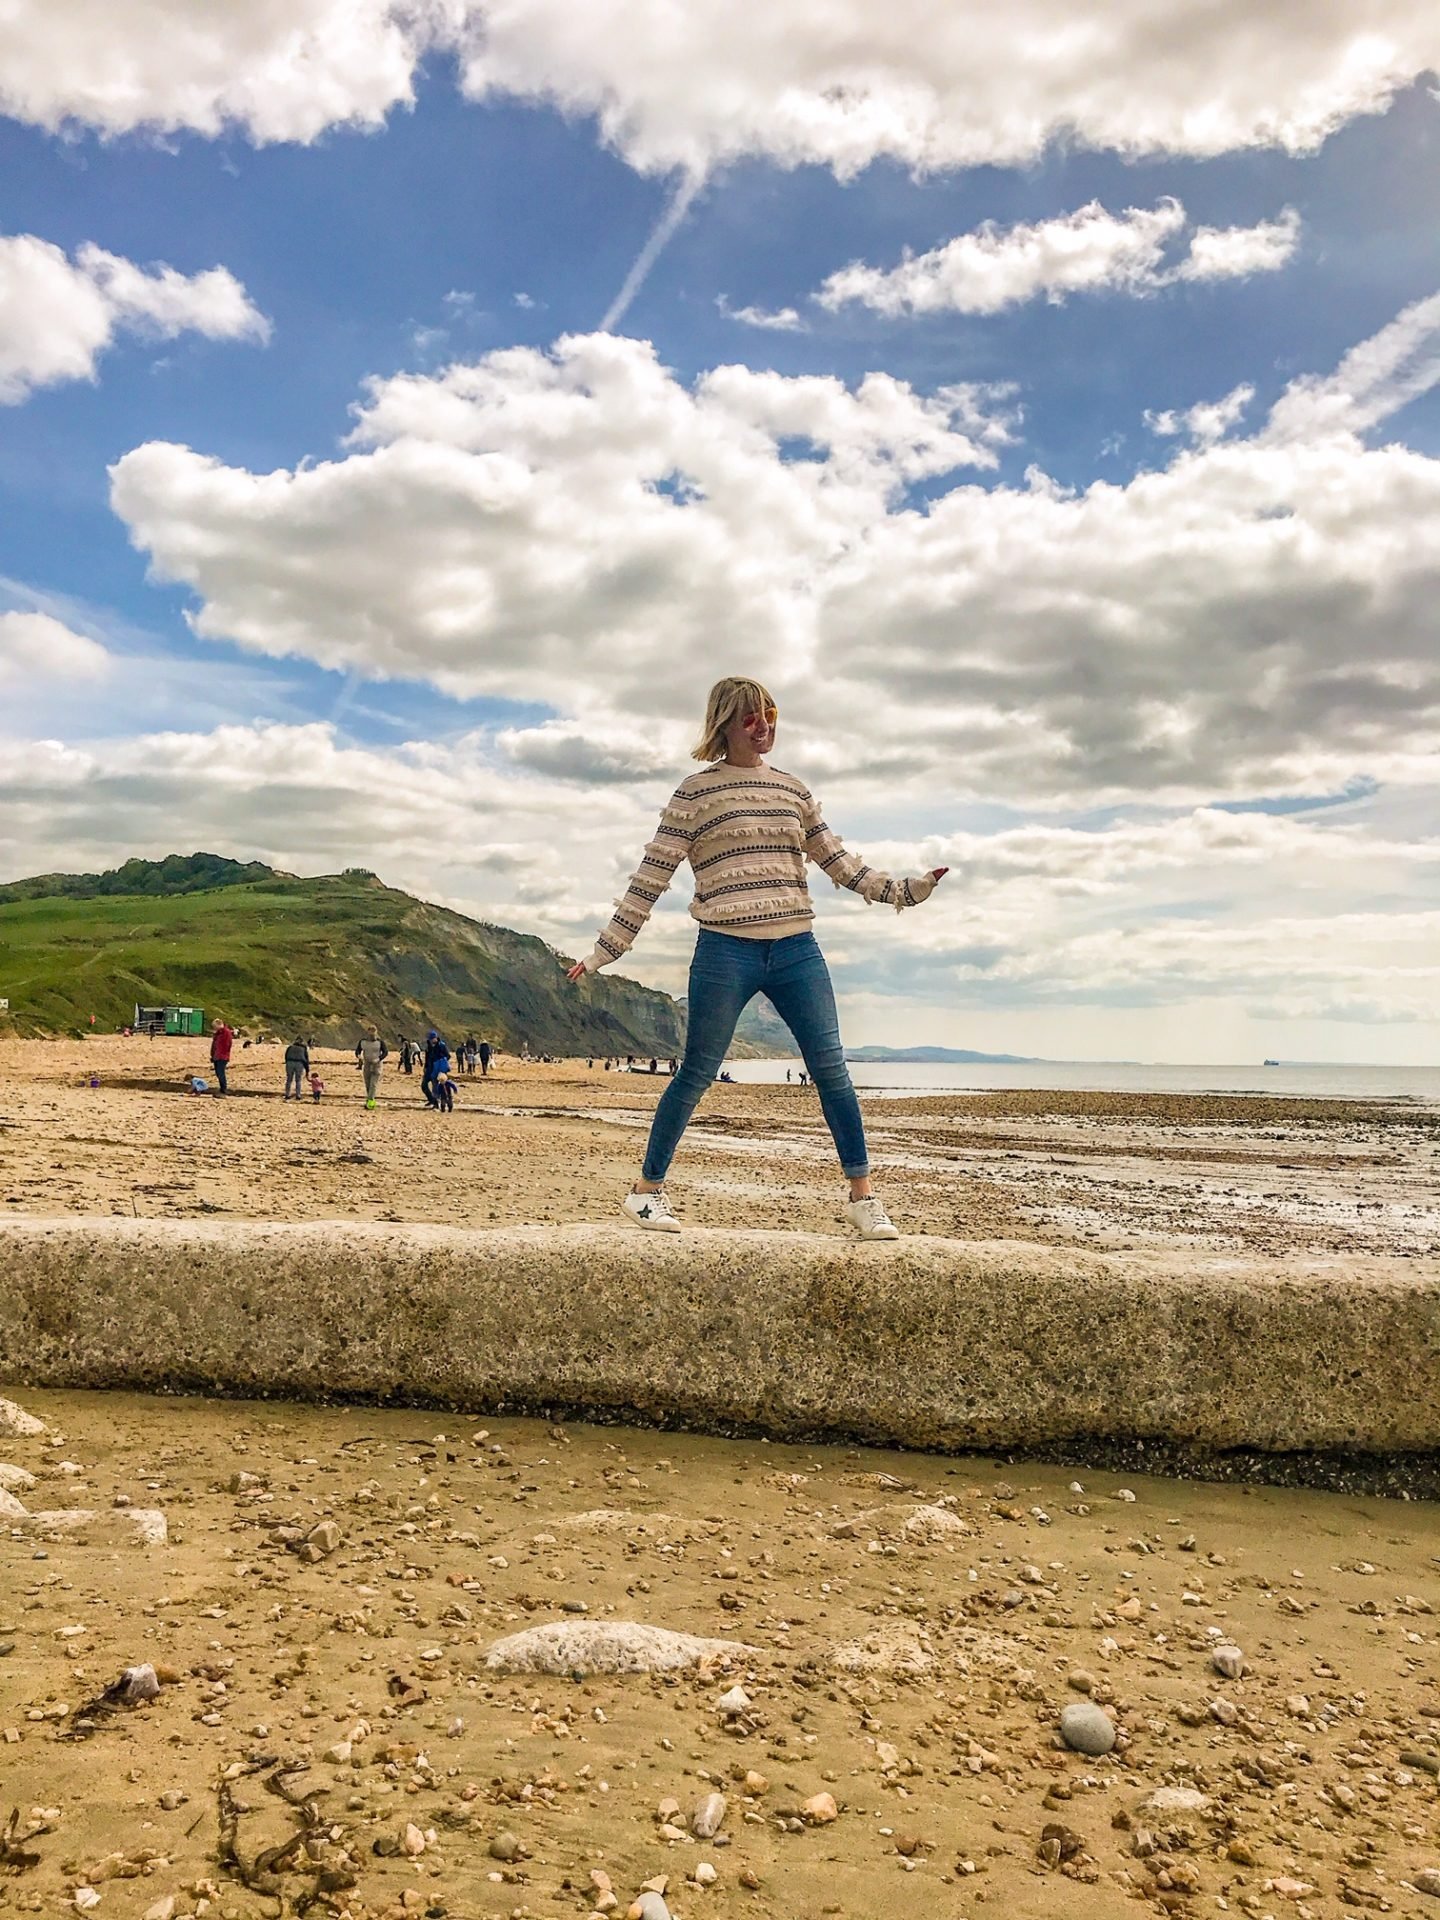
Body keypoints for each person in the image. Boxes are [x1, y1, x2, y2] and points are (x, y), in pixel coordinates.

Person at [567, 675, 947, 1238]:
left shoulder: (793, 790)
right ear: (724, 721)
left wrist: (903, 891)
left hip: (798, 950)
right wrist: (606, 950)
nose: (763, 726)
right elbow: (651, 878)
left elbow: (839, 863)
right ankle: (646, 1194)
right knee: (696, 1070)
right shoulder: (694, 793)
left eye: (770, 713)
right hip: (724, 950)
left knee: (832, 1070)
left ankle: (863, 1200)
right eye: (750, 717)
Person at [355, 1025, 388, 1109]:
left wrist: (378, 1059)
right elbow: (358, 1051)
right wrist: (359, 1056)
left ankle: (370, 1103)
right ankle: (369, 1101)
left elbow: (385, 1052)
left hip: (376, 1065)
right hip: (366, 1064)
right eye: (370, 1032)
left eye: (373, 1032)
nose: (372, 1035)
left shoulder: (380, 1042)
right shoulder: (363, 1042)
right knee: (368, 1084)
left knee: (373, 1084)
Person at [210, 1018, 235, 1095]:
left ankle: (223, 1089)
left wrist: (222, 1054)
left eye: (214, 1026)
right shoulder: (218, 1033)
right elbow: (215, 1045)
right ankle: (222, 1089)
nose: (214, 1028)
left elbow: (227, 1045)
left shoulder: (226, 1033)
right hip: (217, 1056)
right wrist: (213, 1055)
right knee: (218, 1073)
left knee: (220, 1073)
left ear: (218, 1024)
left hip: (222, 1056)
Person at [420, 1030, 443, 1108]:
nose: (432, 1040)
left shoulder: (440, 1046)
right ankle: (431, 1100)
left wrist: (440, 1064)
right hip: (429, 1068)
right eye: (431, 1039)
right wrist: (425, 1067)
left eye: (433, 1038)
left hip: (436, 1069)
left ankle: (436, 1103)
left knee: (435, 1086)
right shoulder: (429, 1046)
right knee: (423, 1085)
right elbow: (427, 1057)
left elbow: (447, 1056)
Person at [283, 1035, 309, 1100]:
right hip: (299, 1063)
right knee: (298, 1080)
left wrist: (287, 1063)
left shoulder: (290, 1047)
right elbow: (306, 1059)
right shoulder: (303, 1048)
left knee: (289, 1079)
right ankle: (298, 1095)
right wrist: (307, 1070)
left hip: (290, 1062)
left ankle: (287, 1094)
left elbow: (286, 1056)